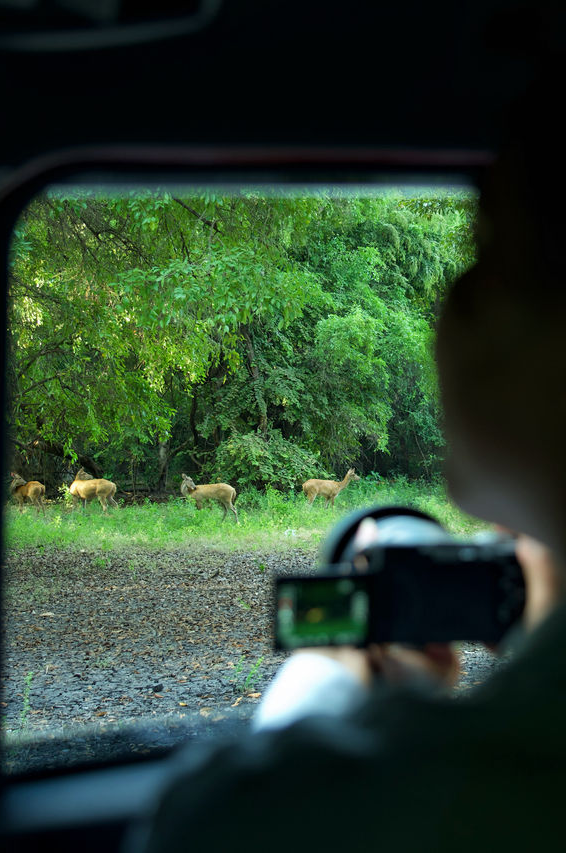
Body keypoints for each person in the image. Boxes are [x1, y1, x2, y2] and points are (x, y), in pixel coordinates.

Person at [133, 70, 566, 853]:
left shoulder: (267, 817)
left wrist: (328, 678)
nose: (458, 302)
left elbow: (226, 815)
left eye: (493, 252)